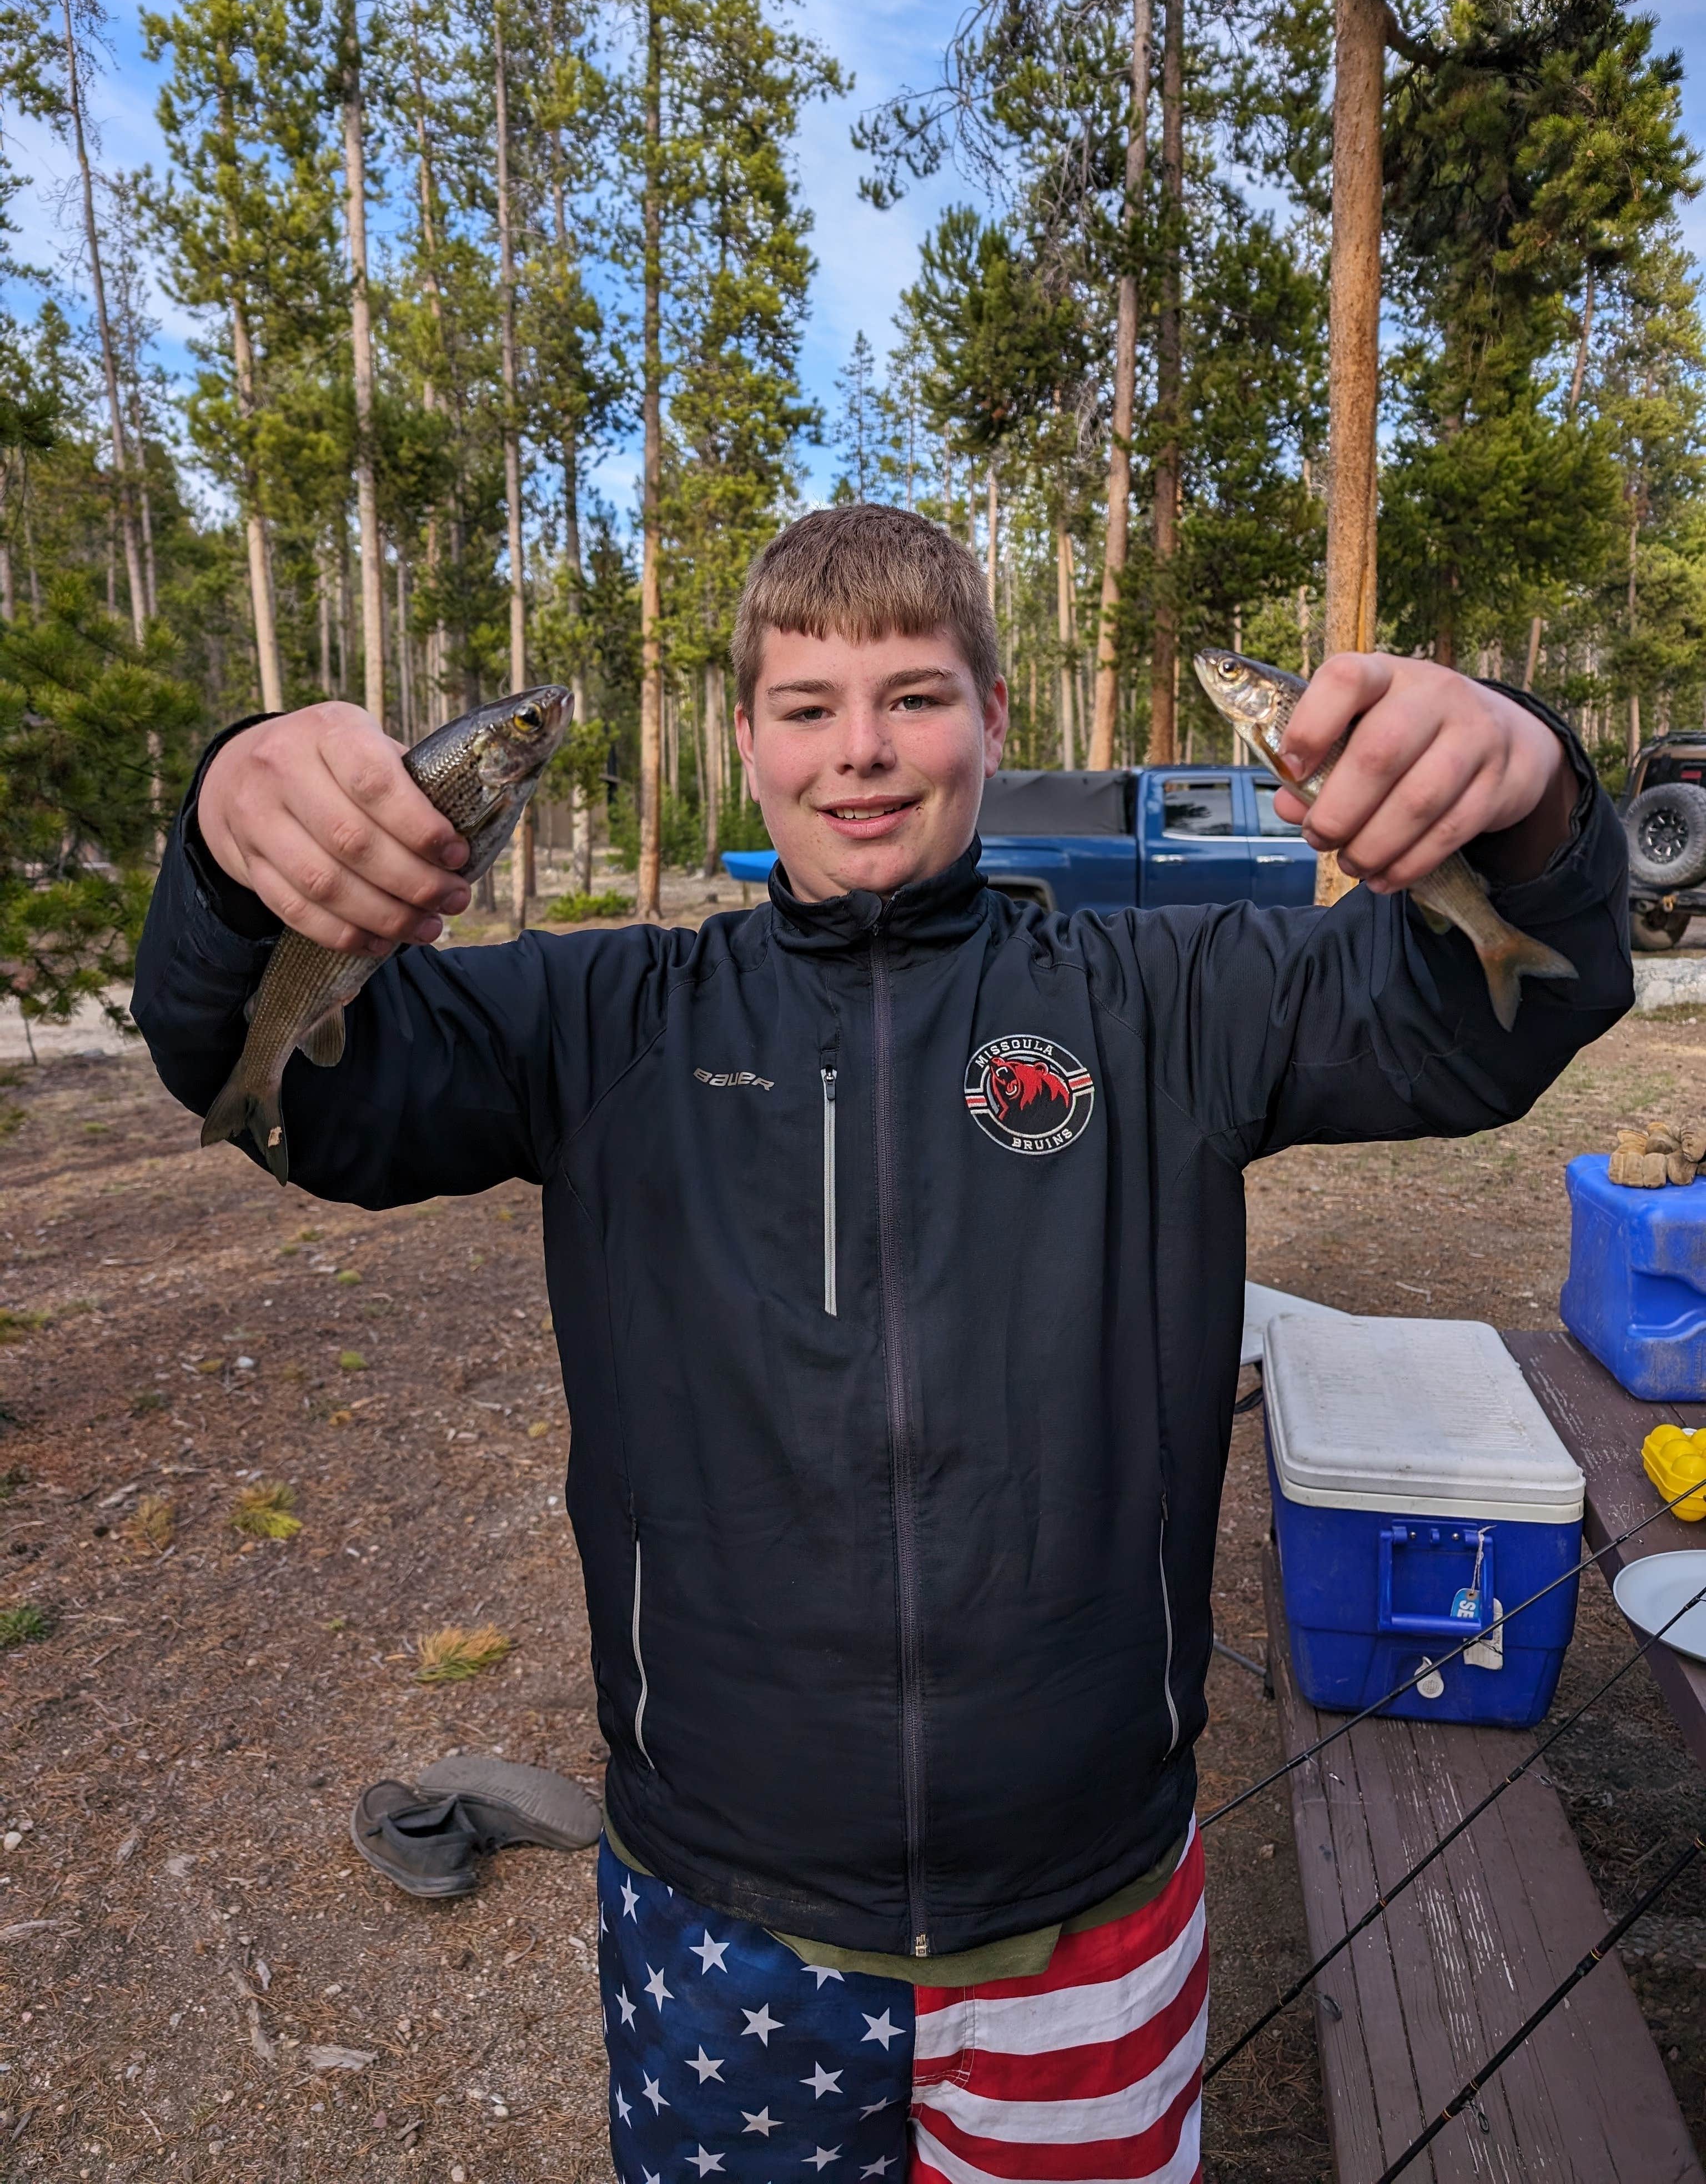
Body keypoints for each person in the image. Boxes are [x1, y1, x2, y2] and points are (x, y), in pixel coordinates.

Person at [135, 505, 1630, 2184]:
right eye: (806, 705)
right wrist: (225, 825)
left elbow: (1493, 1013)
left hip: (1087, 1906)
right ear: (749, 739)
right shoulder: (600, 1022)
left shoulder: (1171, 999)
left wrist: (1536, 788)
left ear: (998, 717)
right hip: (724, 1913)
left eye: (917, 697)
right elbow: (274, 1084)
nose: (863, 751)